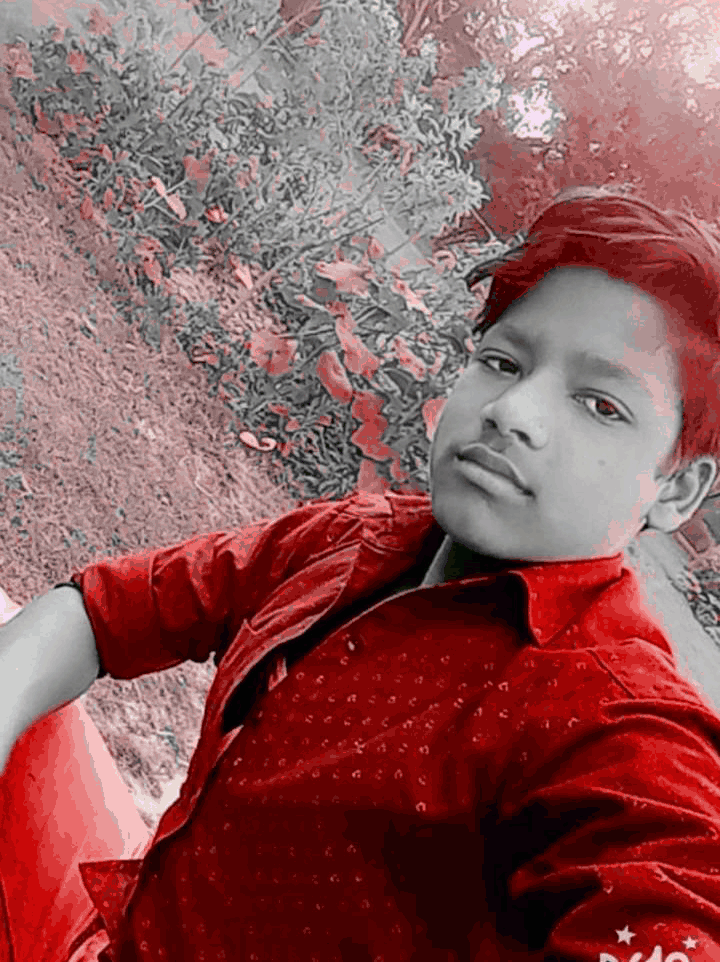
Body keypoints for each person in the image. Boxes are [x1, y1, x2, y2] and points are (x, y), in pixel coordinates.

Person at [3, 184, 720, 961]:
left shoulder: (611, 724)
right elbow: (99, 614)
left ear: (678, 489)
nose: (514, 412)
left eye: (600, 405)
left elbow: (673, 885)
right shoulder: (358, 537)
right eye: (503, 361)